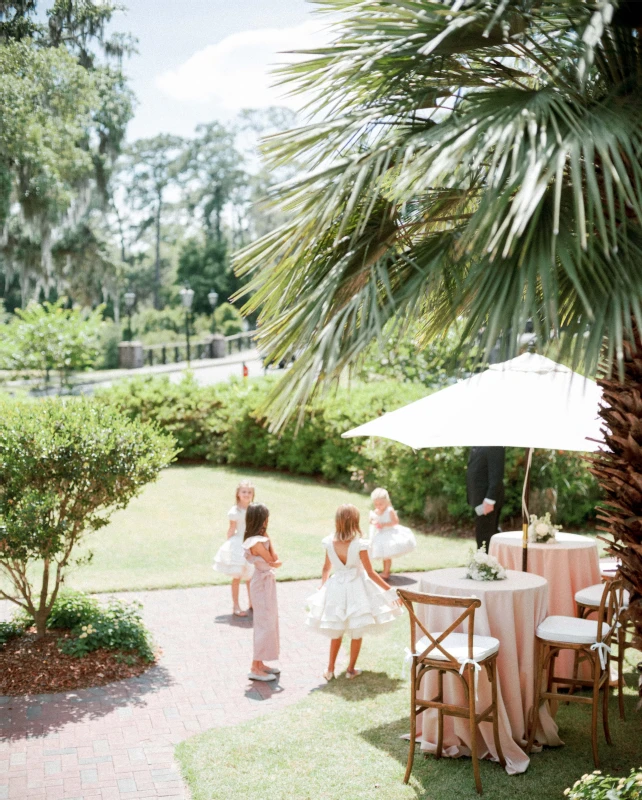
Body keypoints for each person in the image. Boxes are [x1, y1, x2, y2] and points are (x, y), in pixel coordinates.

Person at [306, 503, 402, 681]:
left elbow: (326, 568)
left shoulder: (329, 542)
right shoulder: (360, 544)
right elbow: (371, 573)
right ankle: (350, 669)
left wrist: (323, 586)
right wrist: (390, 591)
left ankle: (330, 669)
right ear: (355, 522)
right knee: (356, 630)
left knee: (337, 629)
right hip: (357, 589)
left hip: (336, 588)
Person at [243, 503, 282, 682]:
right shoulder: (256, 542)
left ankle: (260, 663)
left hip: (266, 581)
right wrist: (275, 558)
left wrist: (268, 537)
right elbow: (274, 560)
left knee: (269, 621)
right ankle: (254, 667)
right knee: (263, 624)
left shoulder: (261, 538)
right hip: (262, 583)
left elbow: (274, 558)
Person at [213, 480, 255, 617]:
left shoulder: (254, 509)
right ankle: (236, 605)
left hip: (251, 543)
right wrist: (228, 546)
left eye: (249, 492)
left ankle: (252, 603)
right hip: (238, 544)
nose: (246, 494)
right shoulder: (234, 511)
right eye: (244, 492)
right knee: (237, 576)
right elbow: (231, 529)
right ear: (238, 494)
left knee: (250, 577)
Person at [368, 487, 417, 579]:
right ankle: (384, 571)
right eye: (376, 504)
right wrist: (373, 520)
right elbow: (372, 521)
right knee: (383, 554)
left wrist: (384, 524)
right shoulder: (376, 511)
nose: (378, 506)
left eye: (380, 504)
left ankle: (386, 572)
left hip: (390, 533)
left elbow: (395, 522)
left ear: (386, 501)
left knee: (387, 555)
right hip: (381, 534)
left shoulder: (389, 510)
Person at [466, 446, 505, 552]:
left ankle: (486, 565)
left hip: (487, 501)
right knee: (483, 536)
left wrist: (489, 499)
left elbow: (496, 474)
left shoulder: (494, 445)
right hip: (479, 499)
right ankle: (485, 563)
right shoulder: (479, 444)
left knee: (485, 538)